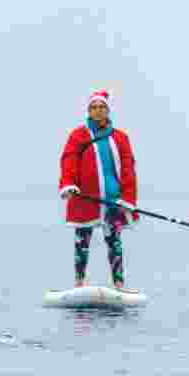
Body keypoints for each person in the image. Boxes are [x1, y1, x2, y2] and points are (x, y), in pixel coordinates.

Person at [58, 90, 139, 289]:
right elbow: (69, 160)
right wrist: (69, 184)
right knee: (81, 242)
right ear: (89, 111)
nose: (98, 111)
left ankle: (118, 284)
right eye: (94, 108)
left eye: (102, 107)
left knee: (114, 242)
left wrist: (128, 199)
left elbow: (128, 168)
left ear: (108, 111)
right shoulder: (78, 136)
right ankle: (78, 282)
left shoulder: (121, 138)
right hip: (85, 199)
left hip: (112, 200)